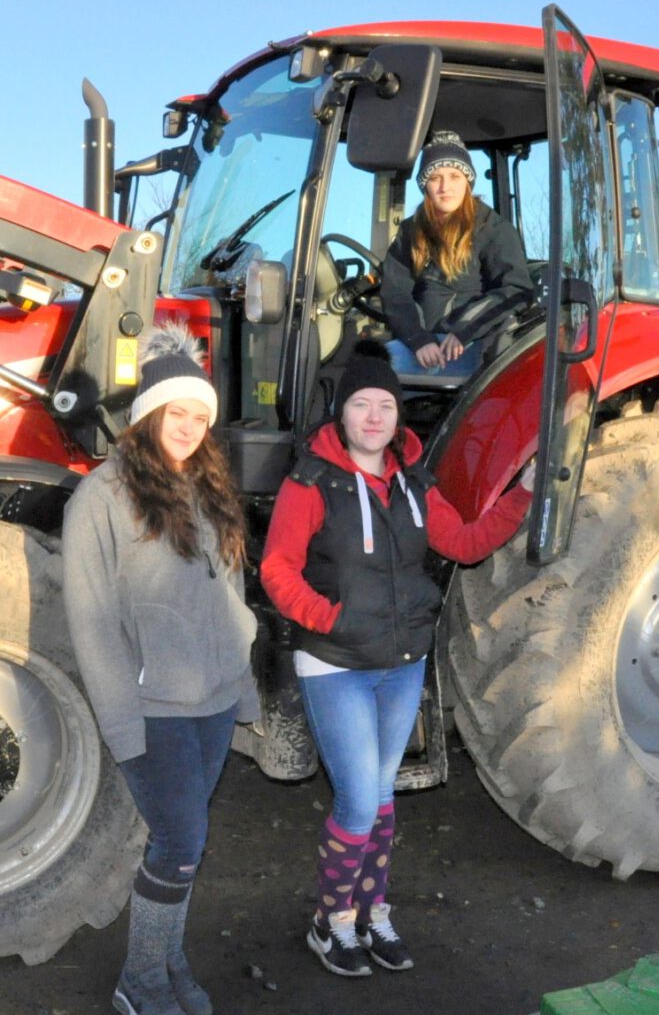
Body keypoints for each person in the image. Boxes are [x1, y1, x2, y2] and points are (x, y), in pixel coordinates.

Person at [260, 340, 534, 978]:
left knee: (382, 799)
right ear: (343, 414)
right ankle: (331, 924)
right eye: (362, 404)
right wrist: (330, 619)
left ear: (397, 416)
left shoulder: (414, 482)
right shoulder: (312, 481)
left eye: (385, 404)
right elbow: (277, 569)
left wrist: (518, 496)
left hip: (401, 663)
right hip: (336, 664)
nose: (374, 417)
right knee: (358, 800)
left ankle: (374, 912)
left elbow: (464, 543)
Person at [62, 322, 259, 1015]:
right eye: (178, 412)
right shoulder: (100, 500)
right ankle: (139, 984)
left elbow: (228, 598)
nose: (189, 427)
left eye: (200, 416)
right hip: (153, 712)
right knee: (179, 844)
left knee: (184, 845)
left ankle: (167, 962)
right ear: (148, 414)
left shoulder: (204, 487)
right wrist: (124, 729)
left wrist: (245, 692)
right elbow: (90, 625)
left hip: (209, 701)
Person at [381, 130, 535, 377]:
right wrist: (418, 339)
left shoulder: (493, 229)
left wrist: (463, 330)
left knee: (384, 371)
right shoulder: (411, 232)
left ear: (467, 181)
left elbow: (515, 291)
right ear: (424, 185)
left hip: (472, 345)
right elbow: (396, 293)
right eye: (435, 178)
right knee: (370, 368)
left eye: (454, 176)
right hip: (422, 346)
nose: (445, 187)